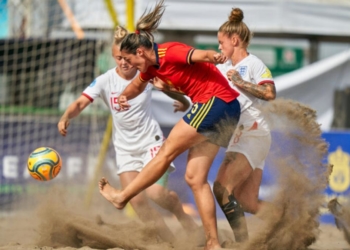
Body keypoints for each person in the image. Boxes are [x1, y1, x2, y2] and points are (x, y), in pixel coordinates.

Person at [97, 1, 245, 249]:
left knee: (165, 153)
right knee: (195, 179)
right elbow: (136, 85)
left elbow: (201, 55)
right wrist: (124, 96)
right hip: (228, 109)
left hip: (215, 102)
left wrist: (215, 56)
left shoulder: (168, 52)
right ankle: (213, 244)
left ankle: (122, 197)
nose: (130, 66)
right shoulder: (150, 69)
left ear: (141, 52)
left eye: (130, 60)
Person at [57, 25, 198, 243]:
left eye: (126, 57)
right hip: (125, 148)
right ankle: (170, 242)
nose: (123, 62)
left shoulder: (145, 73)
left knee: (156, 194)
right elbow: (81, 102)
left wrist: (182, 102)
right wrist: (66, 116)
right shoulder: (106, 80)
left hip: (150, 141)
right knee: (137, 201)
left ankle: (182, 215)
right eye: (118, 57)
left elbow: (170, 87)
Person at [213, 7, 276, 243]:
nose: (219, 47)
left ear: (234, 40)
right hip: (245, 136)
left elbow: (269, 92)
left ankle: (243, 244)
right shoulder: (222, 66)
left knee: (221, 188)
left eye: (221, 42)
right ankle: (291, 218)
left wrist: (240, 81)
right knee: (248, 202)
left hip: (253, 132)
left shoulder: (253, 64)